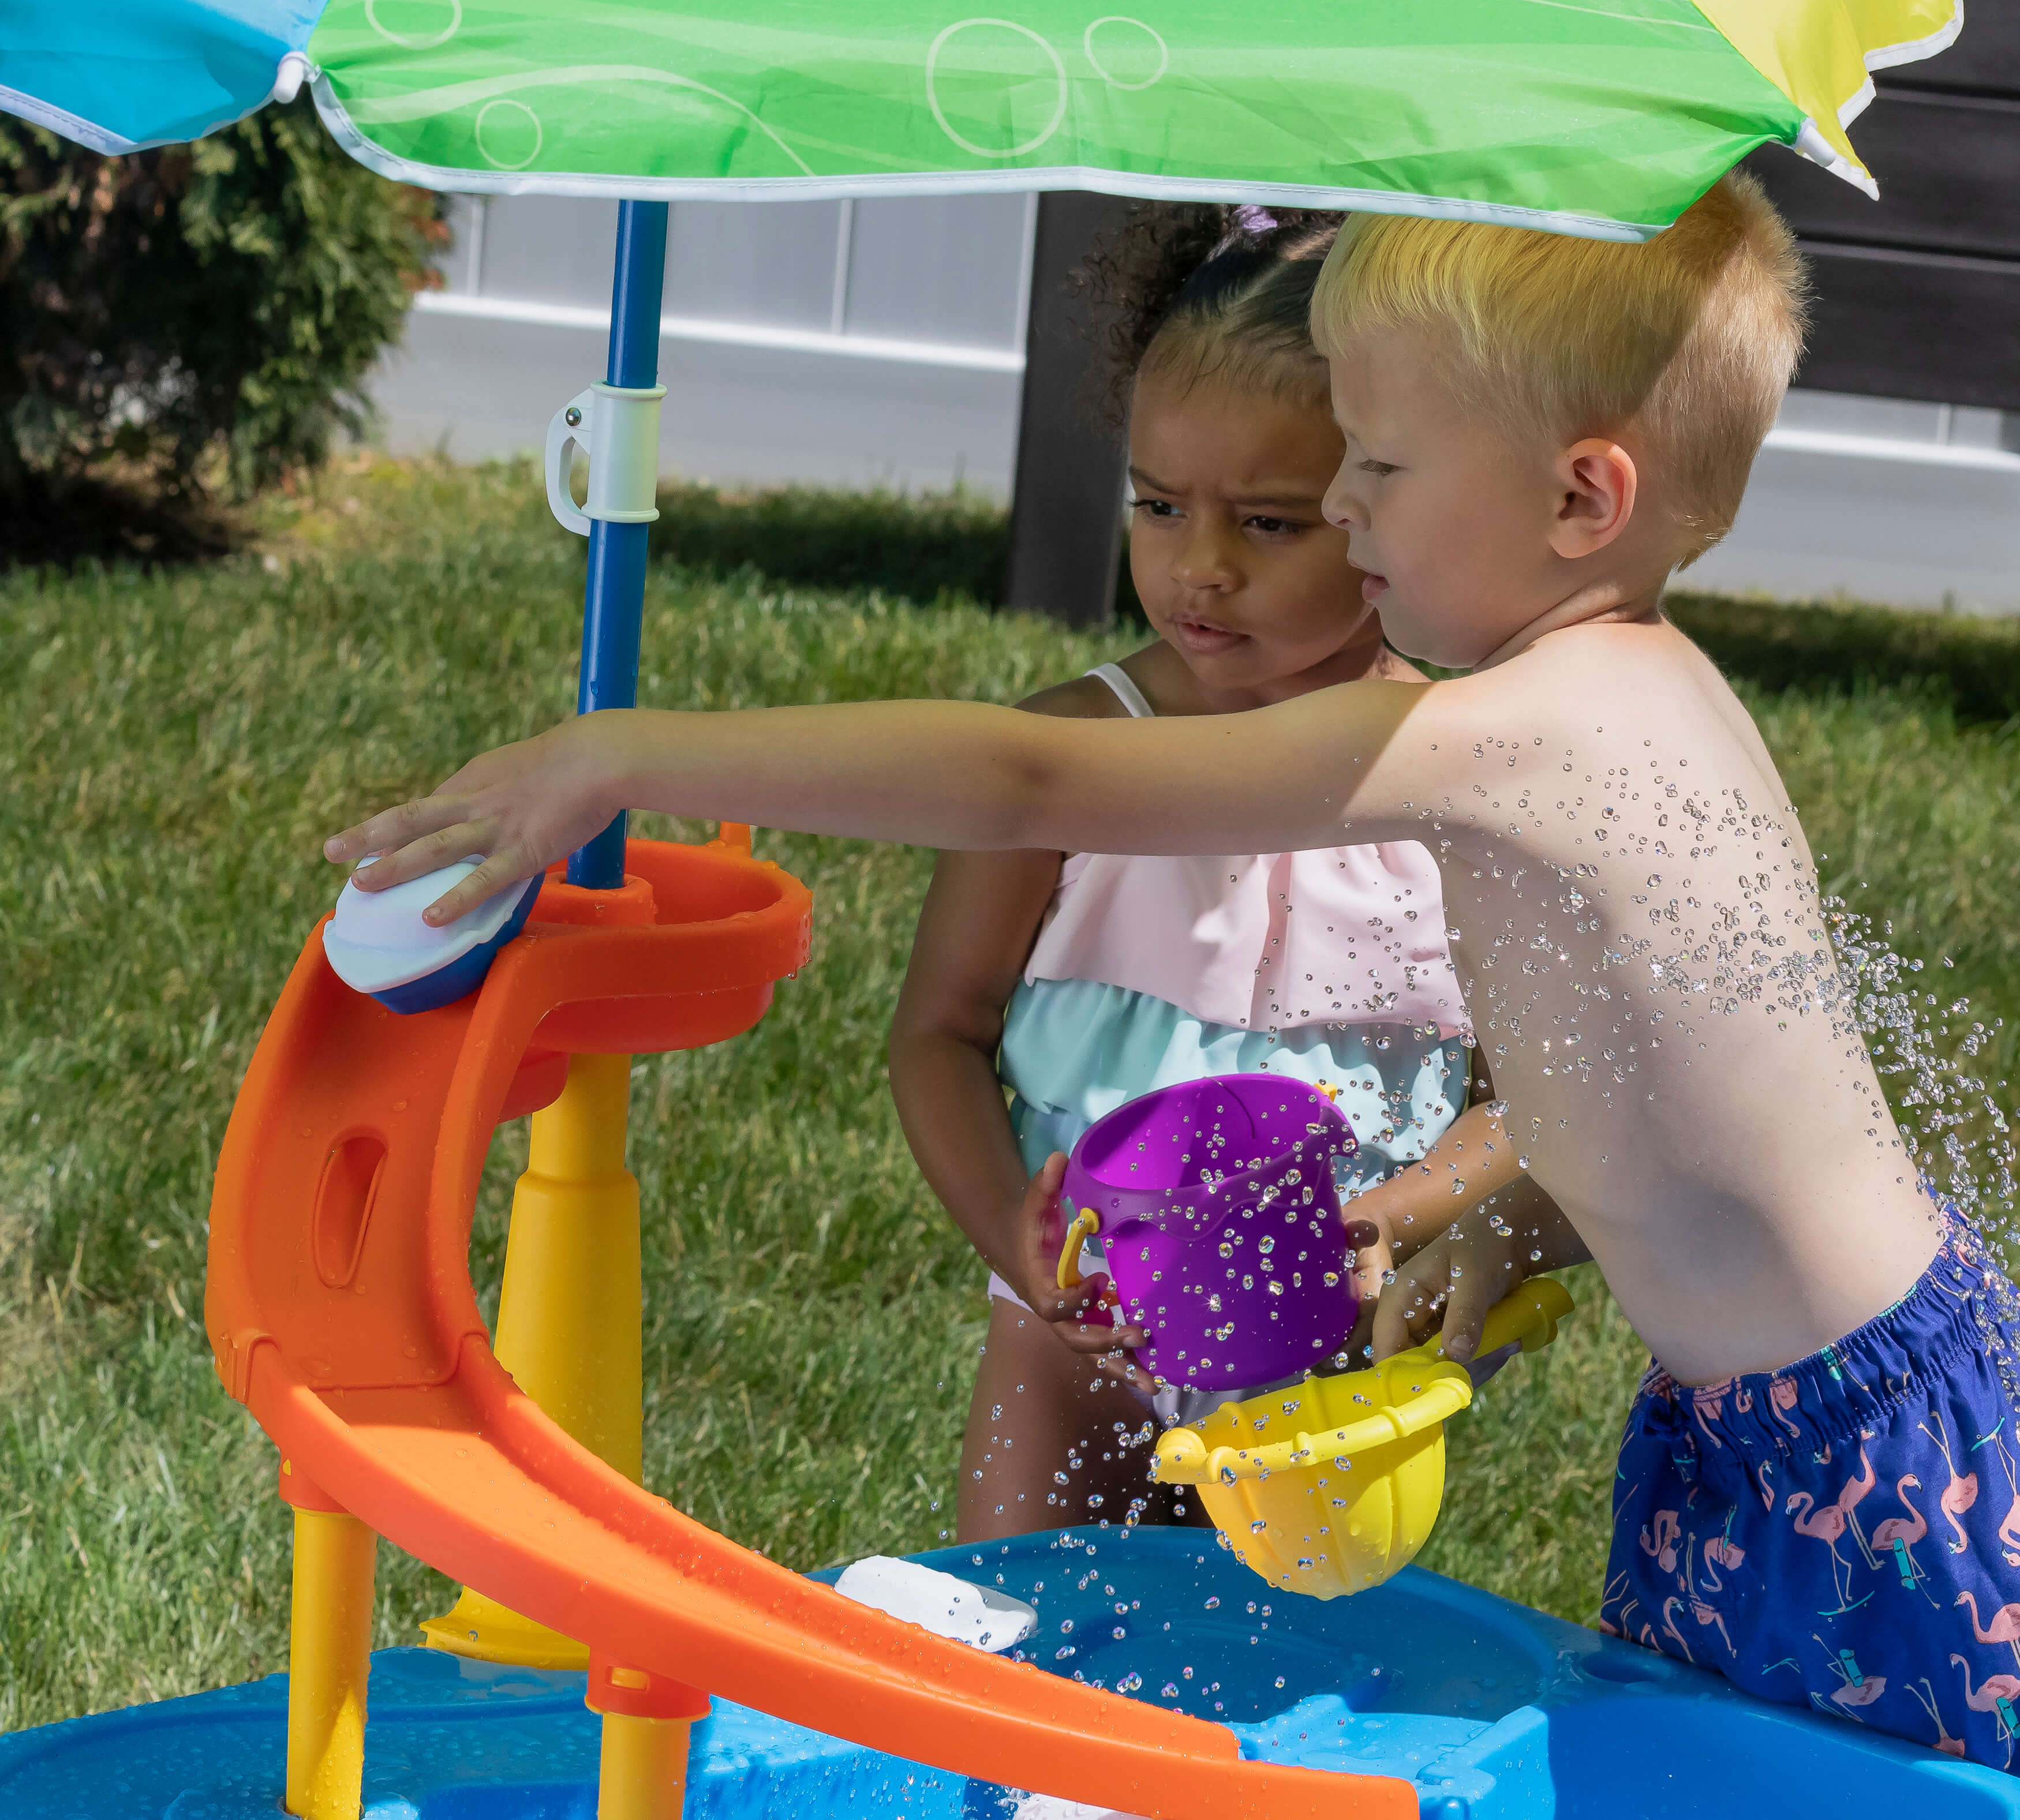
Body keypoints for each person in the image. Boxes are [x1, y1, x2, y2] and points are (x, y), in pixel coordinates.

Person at [325, 170, 2014, 1765]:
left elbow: (1025, 777)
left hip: (1859, 1455)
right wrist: (1499, 1212)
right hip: (1774, 1423)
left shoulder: (1520, 731)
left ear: (1582, 496)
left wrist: (623, 753)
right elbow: (1674, 1090)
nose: (1343, 507)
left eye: (1379, 468)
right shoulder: (1619, 702)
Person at [884, 204, 1491, 1540]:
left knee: (1275, 1727)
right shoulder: (1069, 754)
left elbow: (1535, 1099)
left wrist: (1397, 1214)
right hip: (1072, 1352)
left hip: (1330, 1375)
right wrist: (1015, 1240)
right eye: (1157, 505)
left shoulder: (1461, 781)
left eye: (1268, 525)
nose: (1197, 567)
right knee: (1017, 1664)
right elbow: (937, 1030)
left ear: (1392, 500)